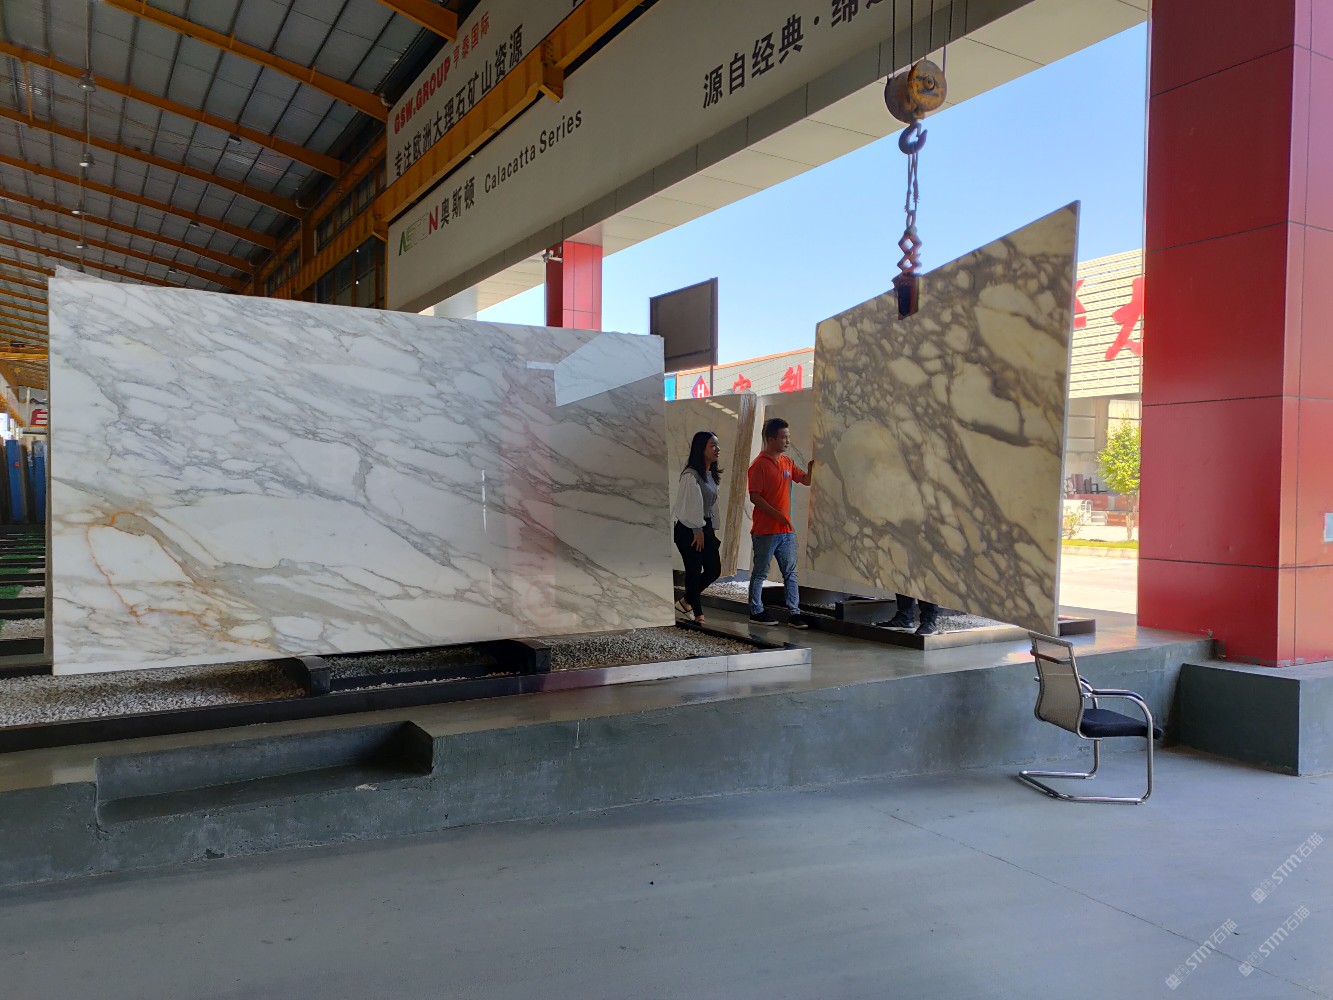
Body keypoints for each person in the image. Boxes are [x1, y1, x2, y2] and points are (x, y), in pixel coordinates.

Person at [746, 417, 811, 629]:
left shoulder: (787, 462)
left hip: (786, 531)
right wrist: (778, 515)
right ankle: (756, 611)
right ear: (771, 439)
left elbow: (805, 480)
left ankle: (794, 613)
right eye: (783, 437)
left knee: (790, 573)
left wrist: (814, 469)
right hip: (765, 531)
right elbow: (755, 497)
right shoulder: (759, 465)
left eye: (788, 437)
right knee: (760, 572)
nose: (787, 441)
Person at [671, 431, 723, 624]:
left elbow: (711, 505)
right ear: (701, 449)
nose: (717, 449)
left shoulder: (711, 475)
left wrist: (711, 529)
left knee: (713, 569)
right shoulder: (690, 475)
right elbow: (689, 505)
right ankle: (697, 613)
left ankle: (686, 601)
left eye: (717, 445)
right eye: (712, 445)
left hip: (705, 526)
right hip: (689, 528)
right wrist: (697, 529)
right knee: (693, 569)